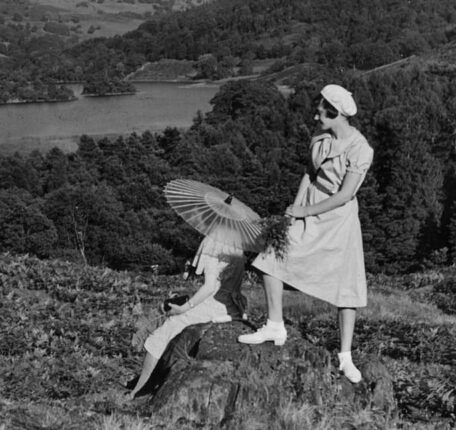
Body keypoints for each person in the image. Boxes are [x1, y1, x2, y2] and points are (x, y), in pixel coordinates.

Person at [238, 84, 374, 384]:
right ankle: (275, 325)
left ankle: (345, 356)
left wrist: (305, 212)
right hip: (310, 206)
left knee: (346, 285)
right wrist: (295, 210)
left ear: (336, 113)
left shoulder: (360, 148)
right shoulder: (321, 140)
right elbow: (309, 175)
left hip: (338, 218)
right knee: (271, 256)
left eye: (322, 112)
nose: (316, 116)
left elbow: (346, 194)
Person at [128, 235, 247, 398]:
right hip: (232, 306)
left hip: (214, 305)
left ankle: (140, 388)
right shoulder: (237, 244)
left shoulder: (214, 243)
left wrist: (184, 308)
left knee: (164, 331)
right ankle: (151, 379)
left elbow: (209, 287)